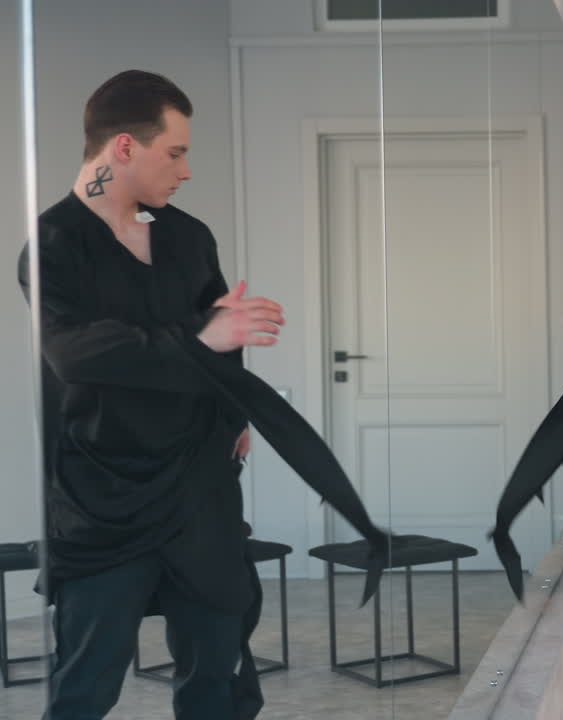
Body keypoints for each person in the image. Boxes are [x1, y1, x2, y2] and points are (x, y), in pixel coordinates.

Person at [18, 69, 388, 720]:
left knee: (219, 678)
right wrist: (202, 336)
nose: (186, 171)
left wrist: (232, 411)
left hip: (199, 492)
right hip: (103, 501)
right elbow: (75, 353)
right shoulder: (53, 243)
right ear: (126, 148)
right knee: (84, 686)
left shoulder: (189, 237)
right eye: (176, 152)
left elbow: (225, 341)